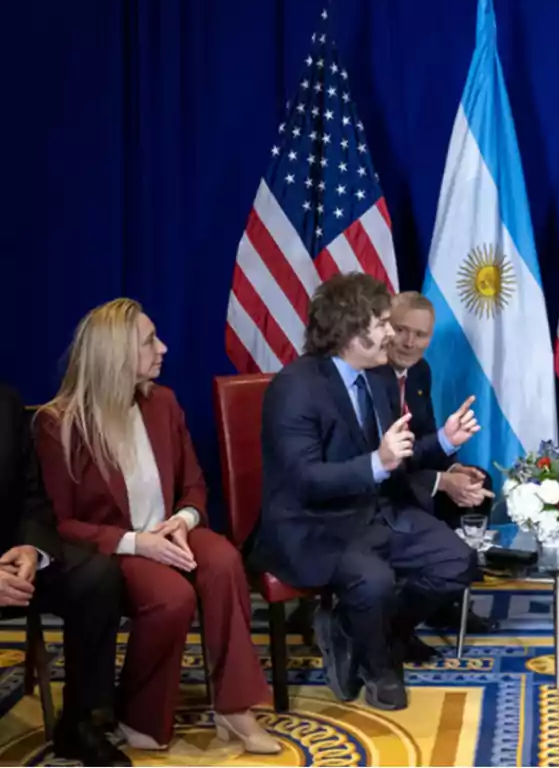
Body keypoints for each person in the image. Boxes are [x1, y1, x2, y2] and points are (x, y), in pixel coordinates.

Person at [34, 299, 278, 754]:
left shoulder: (163, 403)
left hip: (170, 532)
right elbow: (59, 523)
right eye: (150, 341)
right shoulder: (59, 424)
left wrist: (185, 521)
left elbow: (194, 486)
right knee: (172, 595)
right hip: (115, 550)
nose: (163, 348)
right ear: (115, 354)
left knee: (224, 559)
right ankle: (138, 711)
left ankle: (234, 707)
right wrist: (137, 543)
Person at [256, 273, 478, 712]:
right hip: (316, 524)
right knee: (373, 581)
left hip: (376, 511)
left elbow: (399, 457)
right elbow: (304, 479)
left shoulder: (377, 379)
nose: (392, 334)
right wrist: (376, 463)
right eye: (382, 323)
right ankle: (379, 669)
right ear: (350, 330)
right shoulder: (295, 387)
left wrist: (445, 442)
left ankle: (356, 628)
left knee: (458, 561)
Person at [0, 384, 129, 765]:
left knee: (96, 575)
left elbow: (32, 496)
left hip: (12, 560)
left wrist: (30, 549)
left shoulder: (5, 401)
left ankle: (80, 722)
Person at [381, 291, 495, 635]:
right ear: (386, 328)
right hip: (381, 483)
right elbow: (384, 459)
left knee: (478, 482)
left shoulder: (419, 372)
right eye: (401, 330)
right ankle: (400, 624)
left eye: (420, 335)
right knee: (439, 492)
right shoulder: (373, 373)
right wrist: (440, 480)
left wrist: (454, 470)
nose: (409, 342)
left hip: (411, 471)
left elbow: (427, 435)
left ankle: (445, 601)